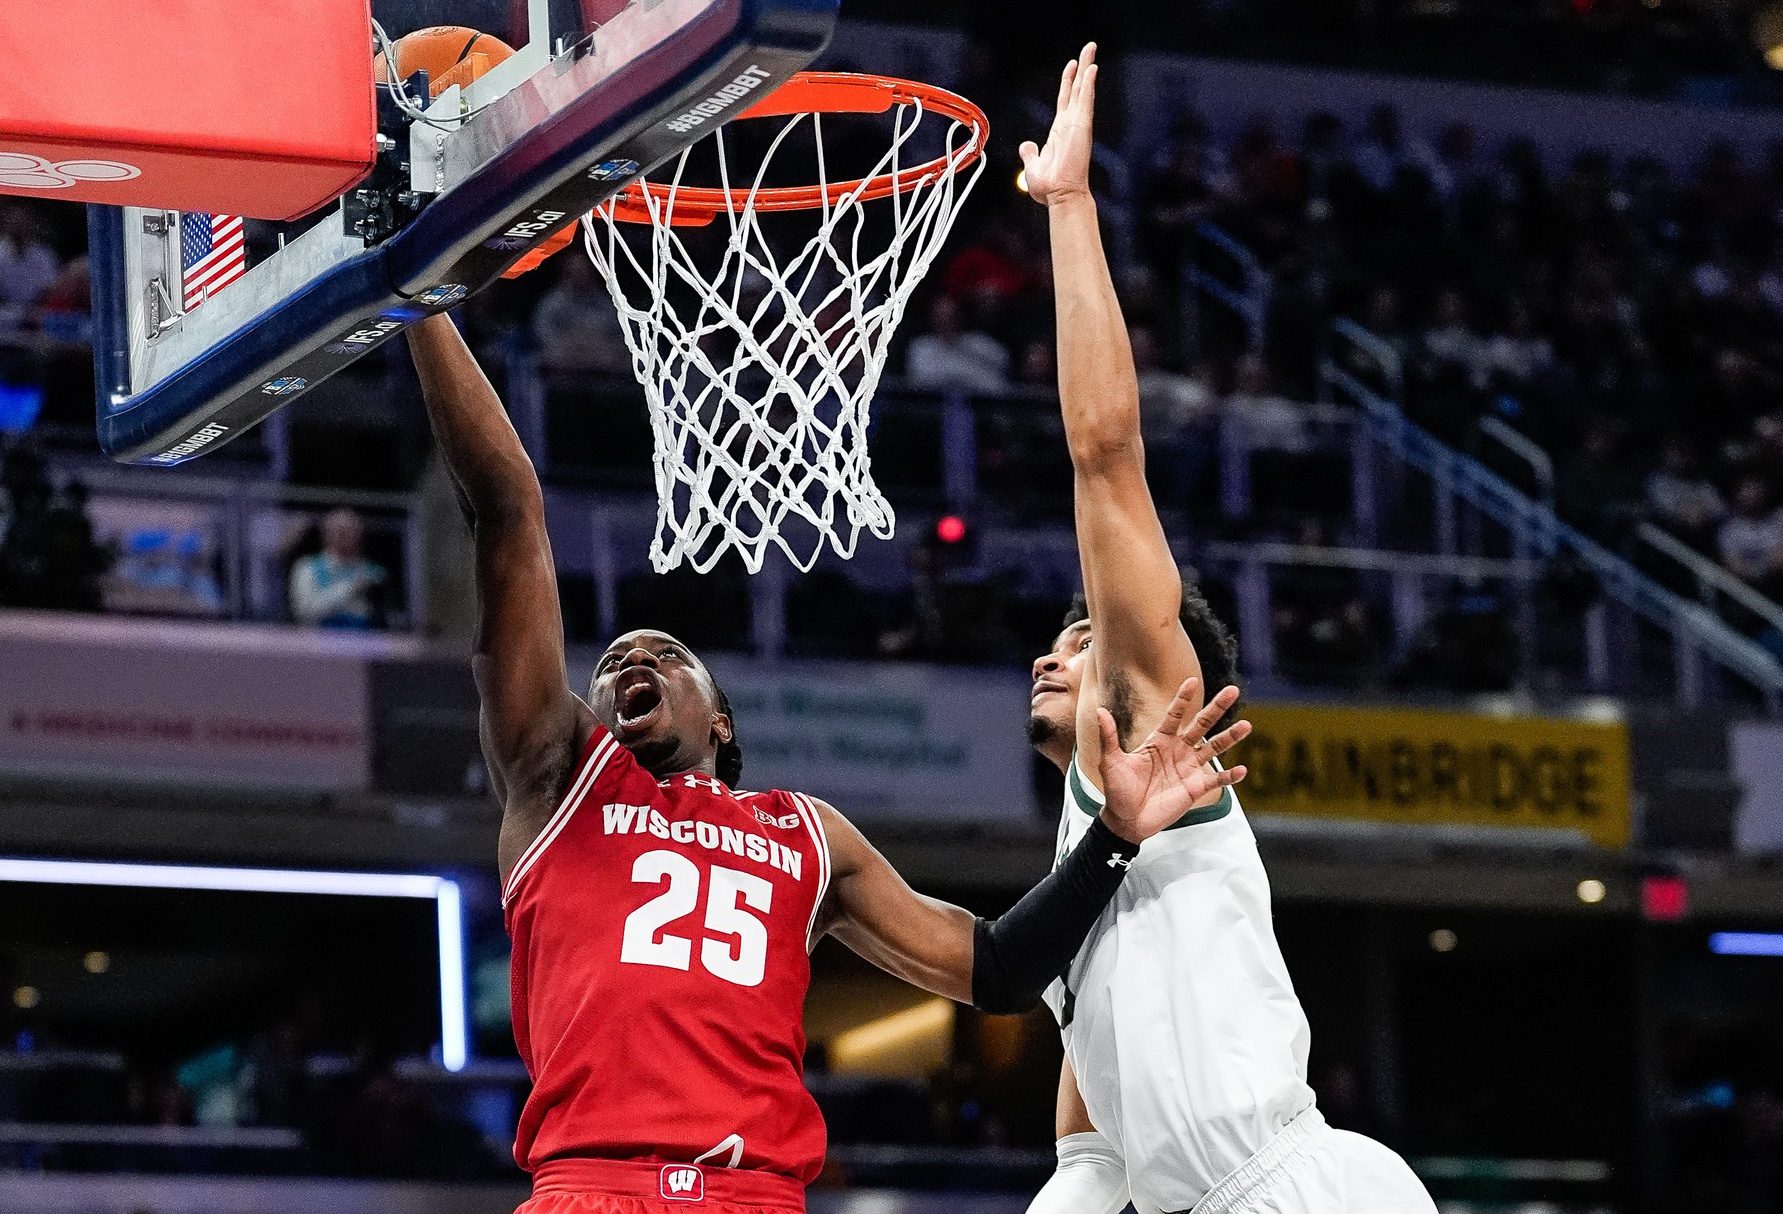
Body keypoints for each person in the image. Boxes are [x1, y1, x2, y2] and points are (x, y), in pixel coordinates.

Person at [403, 313, 1254, 1214]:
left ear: (721, 721)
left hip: (756, 1196)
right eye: (612, 660)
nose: (629, 662)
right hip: (595, 1187)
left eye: (664, 652)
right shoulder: (559, 778)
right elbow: (505, 507)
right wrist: (423, 304)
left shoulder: (807, 834)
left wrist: (1114, 838)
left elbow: (996, 968)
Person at [1017, 45, 1436, 1214]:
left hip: (1293, 1186)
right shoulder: (1080, 854)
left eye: (1081, 632)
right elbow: (1091, 1143)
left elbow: (1104, 455)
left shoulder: (1155, 713)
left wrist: (1067, 207)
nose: (1053, 651)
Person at [288, 508, 386, 629]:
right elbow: (304, 613)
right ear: (325, 534)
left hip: (367, 642)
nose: (342, 536)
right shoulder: (307, 567)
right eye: (338, 531)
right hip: (319, 642)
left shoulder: (374, 572)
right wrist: (351, 588)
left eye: (350, 531)